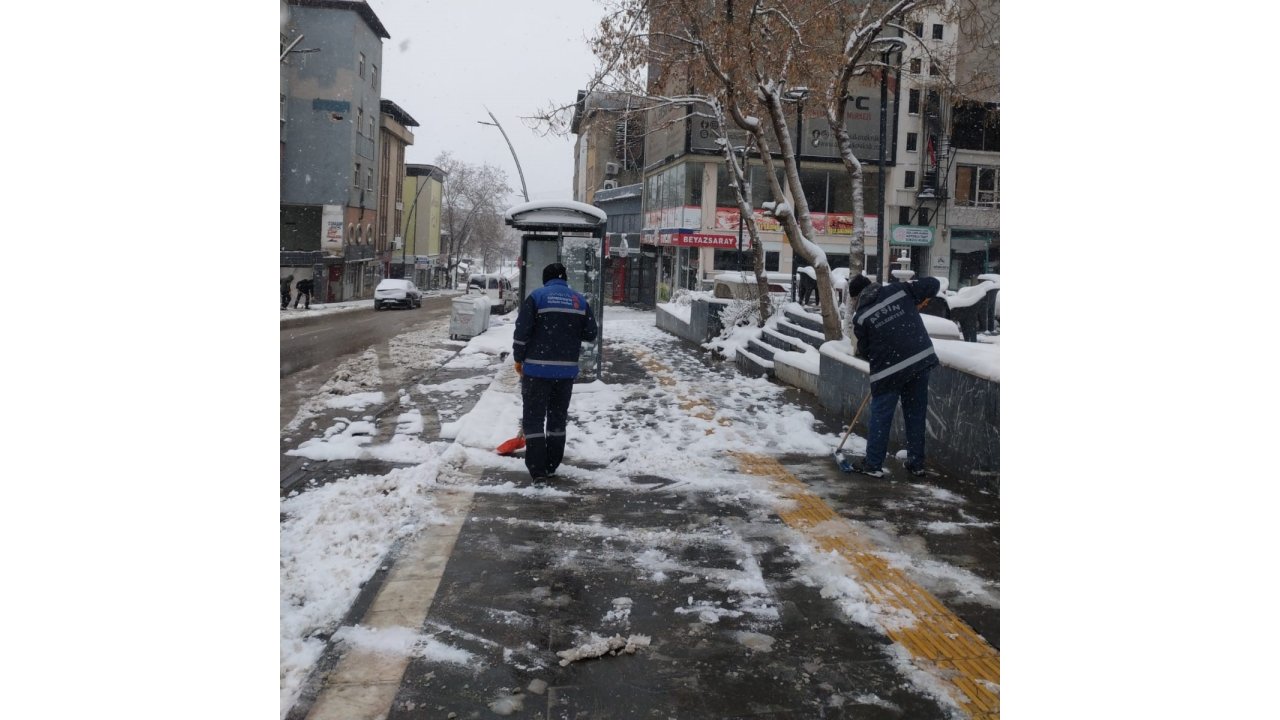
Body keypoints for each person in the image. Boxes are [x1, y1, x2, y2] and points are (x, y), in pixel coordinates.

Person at [846, 273, 941, 478]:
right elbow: (934, 284)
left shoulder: (861, 317)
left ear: (856, 297)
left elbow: (864, 350)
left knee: (881, 416)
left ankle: (873, 464)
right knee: (915, 414)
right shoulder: (899, 290)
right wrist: (917, 299)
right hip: (919, 361)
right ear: (872, 285)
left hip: (888, 372)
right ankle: (916, 463)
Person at [512, 262, 598, 480]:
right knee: (557, 419)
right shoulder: (578, 300)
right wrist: (568, 331)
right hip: (565, 374)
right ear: (565, 278)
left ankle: (537, 468)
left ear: (545, 279)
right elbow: (590, 333)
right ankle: (551, 464)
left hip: (536, 372)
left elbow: (522, 332)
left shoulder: (537, 297)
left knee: (533, 419)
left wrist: (518, 358)